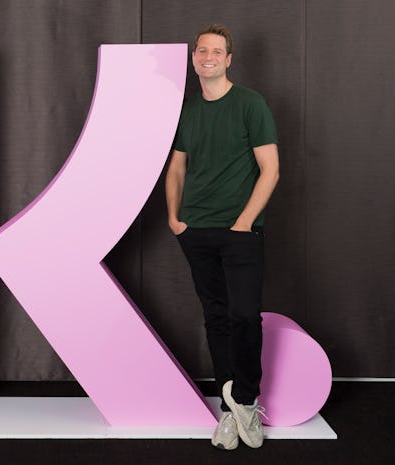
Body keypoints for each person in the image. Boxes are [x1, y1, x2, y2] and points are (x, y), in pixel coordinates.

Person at [165, 24, 279, 450]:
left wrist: (245, 222)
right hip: (196, 231)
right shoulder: (187, 110)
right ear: (194, 59)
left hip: (240, 232)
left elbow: (271, 169)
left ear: (229, 59)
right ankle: (230, 413)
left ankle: (245, 402)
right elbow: (177, 167)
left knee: (245, 317)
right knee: (216, 318)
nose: (208, 57)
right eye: (202, 51)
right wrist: (175, 219)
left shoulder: (251, 104)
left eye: (216, 51)